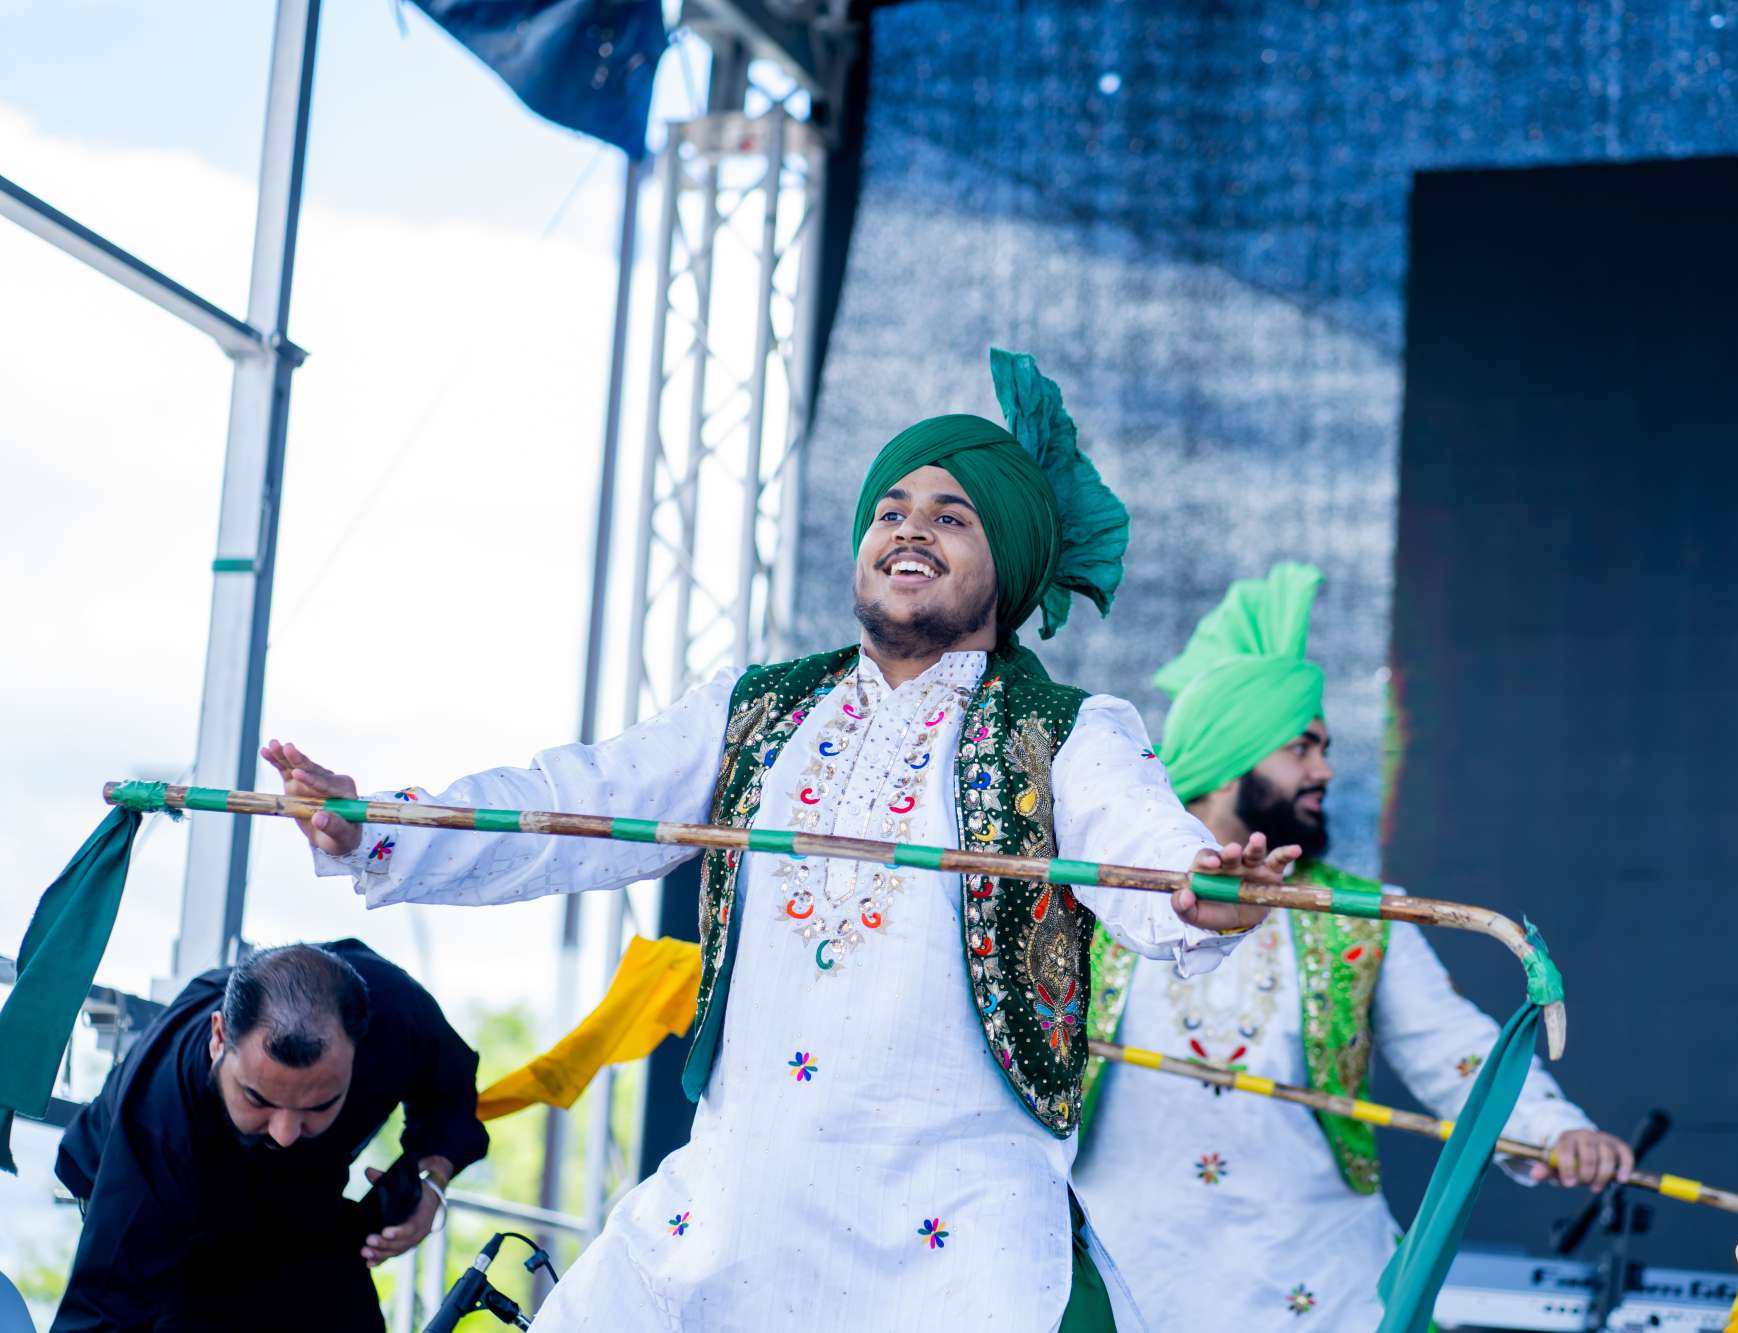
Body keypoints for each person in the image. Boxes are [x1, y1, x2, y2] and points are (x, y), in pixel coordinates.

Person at [261, 351, 1295, 1332]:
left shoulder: (1065, 731)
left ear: (1011, 560)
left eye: (951, 516)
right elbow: (571, 808)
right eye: (890, 509)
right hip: (735, 1211)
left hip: (955, 1229)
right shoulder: (755, 711)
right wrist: (380, 826)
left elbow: (1140, 845)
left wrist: (1199, 891)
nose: (910, 529)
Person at [1073, 563, 1633, 1331]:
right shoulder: (1104, 894)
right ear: (1231, 756)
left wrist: (1550, 1126)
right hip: (1133, 1280)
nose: (1325, 770)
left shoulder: (1362, 914)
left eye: (1324, 748)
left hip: (1320, 1288)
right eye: (1302, 747)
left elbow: (1451, 1047)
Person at [52, 940, 487, 1333]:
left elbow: (451, 1095)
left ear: (360, 1047)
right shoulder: (160, 1123)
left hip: (303, 1204)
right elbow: (101, 1314)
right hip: (183, 1215)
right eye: (258, 1099)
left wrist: (431, 1181)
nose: (285, 1134)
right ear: (219, 1039)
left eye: (318, 1105)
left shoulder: (396, 1013)